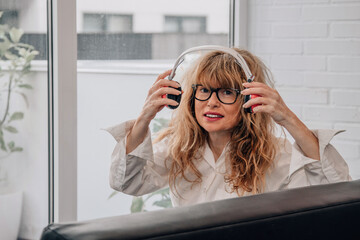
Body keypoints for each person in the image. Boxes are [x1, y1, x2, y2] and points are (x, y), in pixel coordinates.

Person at [106, 47, 351, 207]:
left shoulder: (276, 154)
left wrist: (287, 117)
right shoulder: (177, 149)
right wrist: (144, 118)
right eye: (203, 90)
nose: (211, 102)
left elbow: (337, 187)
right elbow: (126, 181)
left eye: (226, 92)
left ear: (248, 99)